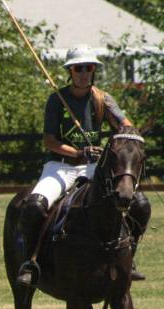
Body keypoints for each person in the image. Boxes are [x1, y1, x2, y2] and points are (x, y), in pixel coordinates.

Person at [15, 45, 147, 288]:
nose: (84, 73)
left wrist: (122, 142)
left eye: (89, 68)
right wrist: (77, 151)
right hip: (60, 166)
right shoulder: (57, 100)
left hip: (94, 168)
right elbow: (49, 141)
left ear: (94, 70)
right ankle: (30, 262)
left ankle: (129, 258)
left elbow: (126, 128)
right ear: (70, 71)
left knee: (139, 204)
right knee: (34, 205)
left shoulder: (103, 99)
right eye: (79, 68)